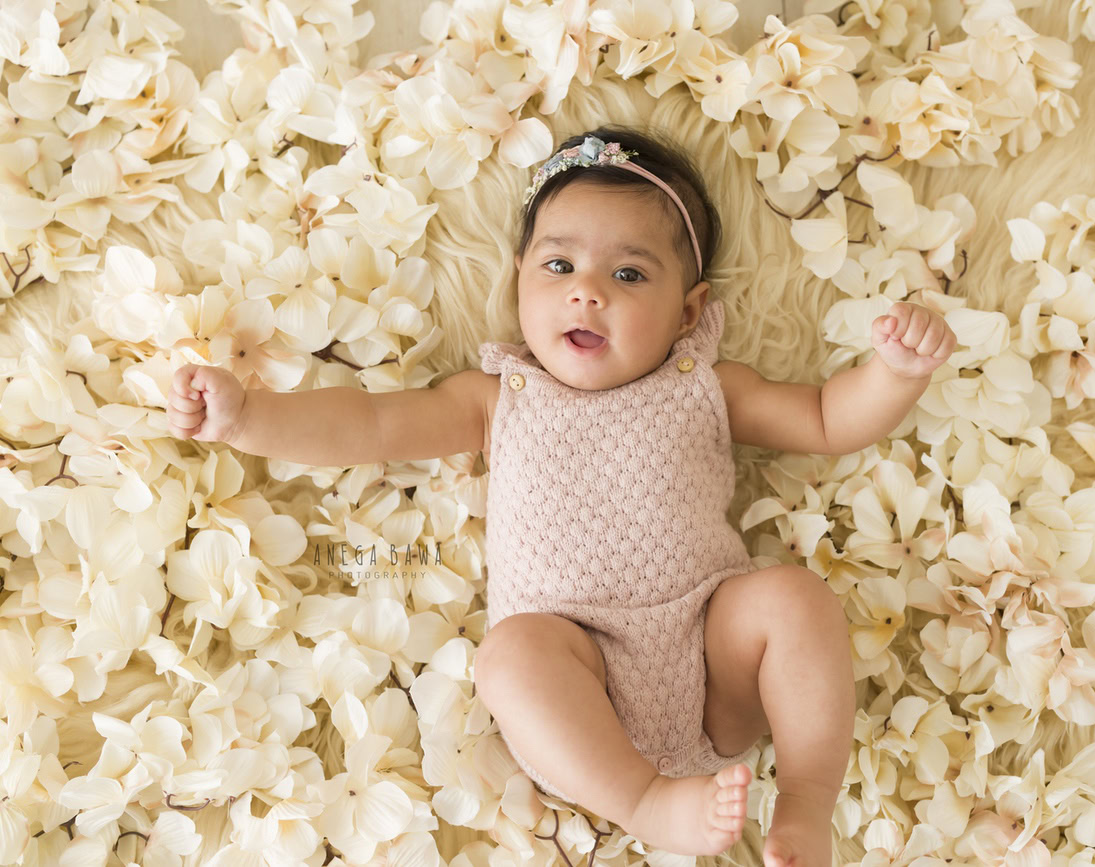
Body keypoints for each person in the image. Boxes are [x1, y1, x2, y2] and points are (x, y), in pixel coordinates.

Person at [166, 123, 957, 867]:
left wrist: (894, 376)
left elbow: (824, 417)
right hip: (581, 685)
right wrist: (251, 417)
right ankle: (647, 801)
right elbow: (369, 424)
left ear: (688, 310)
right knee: (512, 654)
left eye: (628, 273)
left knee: (792, 599)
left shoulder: (704, 385)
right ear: (519, 281)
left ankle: (807, 798)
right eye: (559, 266)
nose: (587, 293)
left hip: (714, 658)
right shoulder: (498, 397)